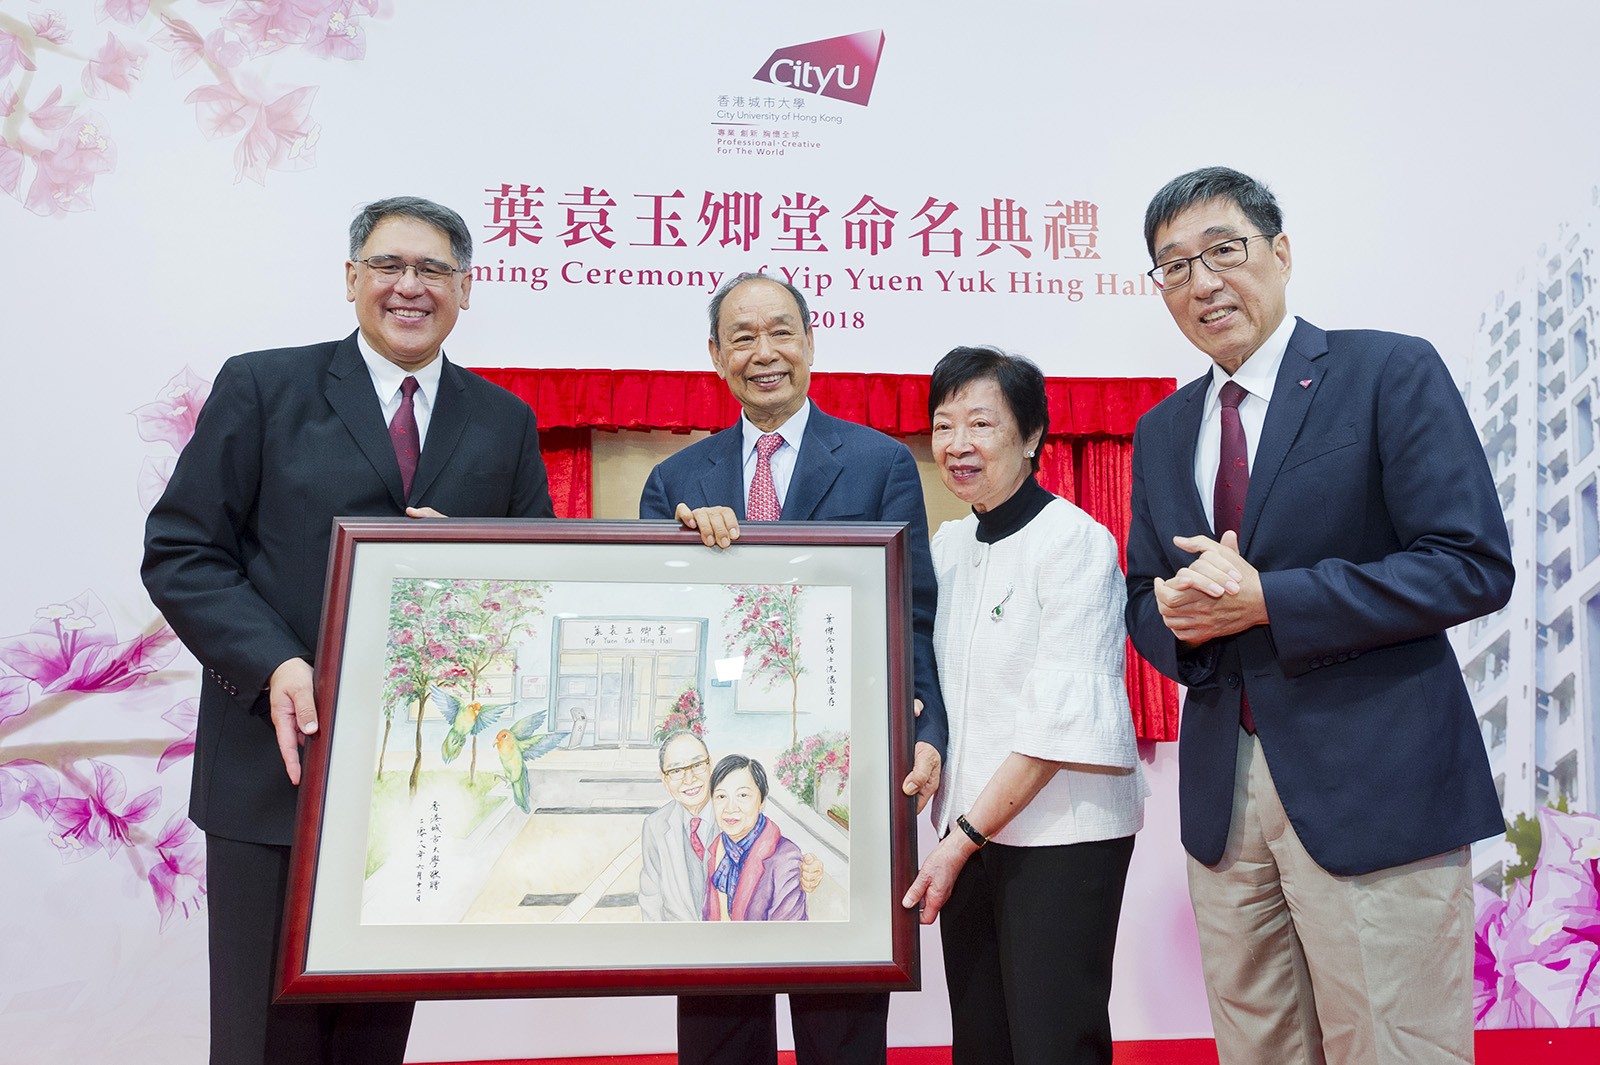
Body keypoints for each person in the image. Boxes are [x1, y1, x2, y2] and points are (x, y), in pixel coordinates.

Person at [142, 196, 554, 1065]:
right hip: (272, 763)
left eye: (434, 270)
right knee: (260, 1037)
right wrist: (274, 661)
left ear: (467, 290)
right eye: (390, 265)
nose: (411, 287)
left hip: (412, 785)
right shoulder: (263, 386)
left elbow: (531, 592)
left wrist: (469, 565)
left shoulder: (504, 421)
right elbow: (183, 551)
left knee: (372, 1031)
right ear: (351, 278)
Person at [1124, 166, 1513, 1065]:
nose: (1203, 282)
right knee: (1258, 1046)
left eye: (1225, 251)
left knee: (1392, 1045)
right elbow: (1144, 597)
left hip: (1373, 779)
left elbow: (1469, 564)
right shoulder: (1163, 429)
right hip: (1226, 799)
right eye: (1175, 266)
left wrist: (1272, 600)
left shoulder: (1386, 369)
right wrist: (1174, 618)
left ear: (1282, 252)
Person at [639, 271, 948, 1065]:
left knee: (839, 997)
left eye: (782, 331)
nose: (764, 352)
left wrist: (929, 725)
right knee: (719, 1001)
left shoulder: (880, 462)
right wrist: (672, 554)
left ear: (811, 342)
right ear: (715, 355)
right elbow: (660, 622)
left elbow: (914, 611)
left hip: (843, 762)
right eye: (742, 337)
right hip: (724, 771)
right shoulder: (676, 482)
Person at [900, 346, 1145, 1065]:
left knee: (1052, 1041)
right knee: (981, 1040)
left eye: (981, 422)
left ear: (1033, 436)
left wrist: (962, 836)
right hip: (967, 836)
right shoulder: (945, 547)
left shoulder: (1076, 544)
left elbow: (1056, 725)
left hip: (1061, 837)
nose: (957, 444)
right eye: (944, 426)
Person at [639, 729, 823, 922]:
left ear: (709, 764)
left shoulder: (738, 816)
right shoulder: (655, 826)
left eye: (697, 764)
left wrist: (808, 870)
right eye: (676, 770)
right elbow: (650, 900)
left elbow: (784, 860)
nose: (689, 778)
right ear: (664, 778)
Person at [702, 755, 807, 922]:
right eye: (721, 796)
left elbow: (789, 934)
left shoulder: (785, 857)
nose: (730, 808)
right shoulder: (715, 851)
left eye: (743, 795)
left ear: (762, 801)